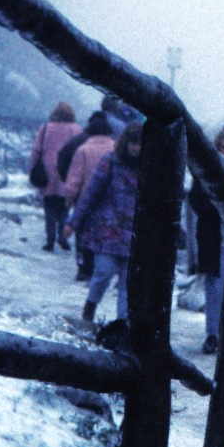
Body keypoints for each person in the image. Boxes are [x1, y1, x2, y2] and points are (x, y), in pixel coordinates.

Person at [66, 121, 144, 326]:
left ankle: (122, 324)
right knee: (103, 272)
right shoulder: (110, 161)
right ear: (126, 142)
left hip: (135, 233)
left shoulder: (151, 169)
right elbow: (91, 193)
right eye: (133, 143)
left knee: (128, 282)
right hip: (108, 229)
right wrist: (73, 222)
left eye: (141, 144)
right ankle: (90, 306)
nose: (136, 148)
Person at [188, 125, 224, 354]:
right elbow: (195, 198)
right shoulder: (206, 170)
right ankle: (213, 333)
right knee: (215, 286)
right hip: (214, 234)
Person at [62, 112, 116, 281]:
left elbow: (75, 177)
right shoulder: (116, 149)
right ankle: (102, 268)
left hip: (85, 200)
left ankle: (84, 268)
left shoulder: (83, 150)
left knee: (83, 234)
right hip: (110, 201)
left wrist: (70, 197)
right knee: (104, 234)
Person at [30, 102, 83, 252]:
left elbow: (36, 150)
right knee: (64, 209)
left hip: (47, 174)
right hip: (67, 173)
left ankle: (50, 240)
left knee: (49, 209)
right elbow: (80, 153)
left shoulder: (46, 127)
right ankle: (63, 237)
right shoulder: (76, 129)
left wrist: (32, 169)